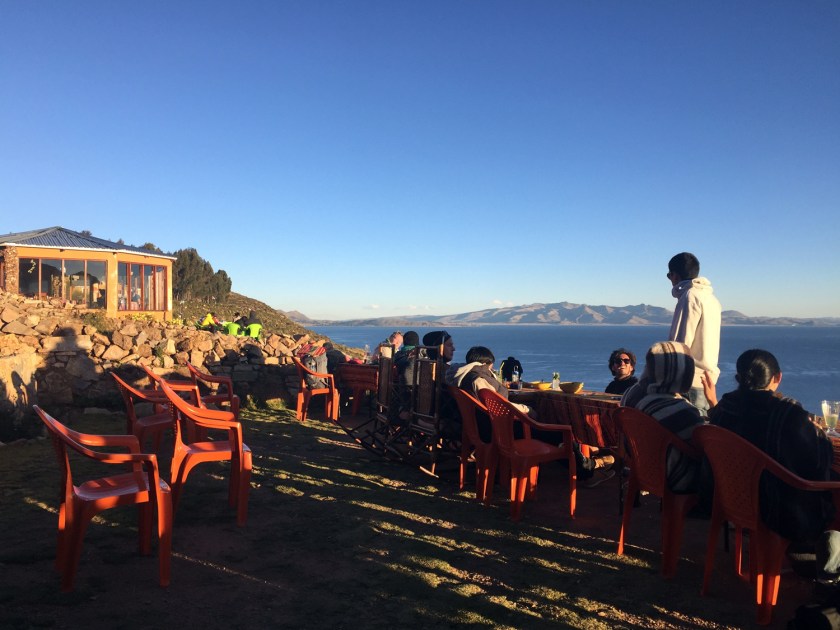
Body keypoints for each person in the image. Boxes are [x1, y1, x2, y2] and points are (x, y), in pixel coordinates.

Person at [706, 349, 838, 580]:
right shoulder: (787, 413)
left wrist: (712, 400)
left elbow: (715, 422)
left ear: (739, 378)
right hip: (779, 510)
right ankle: (824, 563)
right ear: (777, 377)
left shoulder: (726, 406)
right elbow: (816, 460)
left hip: (733, 500)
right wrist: (819, 435)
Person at [621, 341, 705, 494]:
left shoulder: (631, 394)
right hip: (673, 479)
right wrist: (714, 404)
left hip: (641, 468)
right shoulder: (681, 410)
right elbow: (702, 444)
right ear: (682, 372)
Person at [666, 252, 721, 416]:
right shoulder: (711, 299)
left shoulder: (690, 296)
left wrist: (671, 381)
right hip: (706, 380)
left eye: (669, 275)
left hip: (689, 382)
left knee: (686, 428)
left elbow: (681, 343)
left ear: (675, 275)